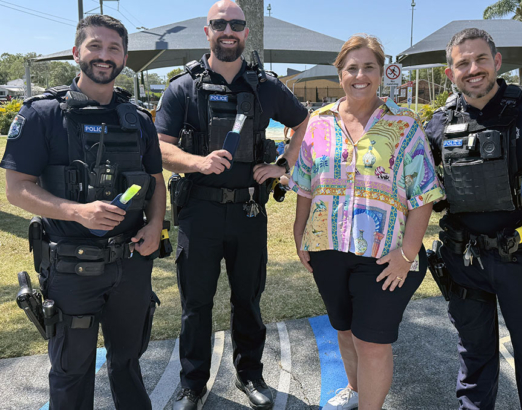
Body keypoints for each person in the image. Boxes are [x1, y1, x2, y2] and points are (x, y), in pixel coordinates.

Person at [1, 15, 165, 409]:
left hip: (131, 263)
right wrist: (77, 212)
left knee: (128, 360)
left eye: (113, 48)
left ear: (124, 57)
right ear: (77, 52)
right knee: (72, 370)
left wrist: (156, 225)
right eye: (95, 46)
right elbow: (17, 189)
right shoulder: (43, 114)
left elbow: (156, 182)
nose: (103, 56)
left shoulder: (138, 118)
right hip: (72, 269)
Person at [154, 1, 309, 409]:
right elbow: (158, 148)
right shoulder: (181, 87)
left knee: (247, 300)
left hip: (248, 212)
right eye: (219, 24)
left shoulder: (266, 86)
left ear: (245, 33)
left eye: (236, 24)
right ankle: (192, 384)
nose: (228, 30)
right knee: (195, 304)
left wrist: (282, 165)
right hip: (197, 213)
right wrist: (197, 163)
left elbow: (304, 122)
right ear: (207, 30)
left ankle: (250, 375)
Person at [425, 28, 522, 409]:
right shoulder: (438, 125)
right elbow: (418, 184)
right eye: (462, 63)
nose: (473, 68)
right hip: (464, 263)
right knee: (475, 363)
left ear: (496, 62)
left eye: (481, 59)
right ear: (451, 73)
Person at [291, 34, 444, 410]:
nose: (360, 75)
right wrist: (299, 234)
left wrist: (407, 255)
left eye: (368, 67)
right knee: (344, 330)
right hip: (326, 247)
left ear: (381, 73)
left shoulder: (403, 124)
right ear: (339, 73)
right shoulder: (319, 122)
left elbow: (424, 194)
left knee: (372, 343)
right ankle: (355, 391)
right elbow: (306, 184)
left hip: (384, 253)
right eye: (351, 68)